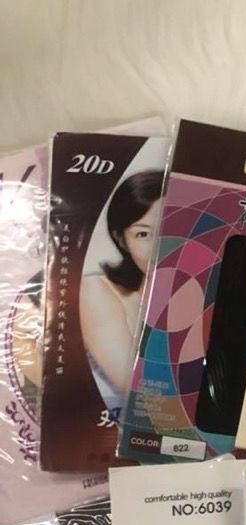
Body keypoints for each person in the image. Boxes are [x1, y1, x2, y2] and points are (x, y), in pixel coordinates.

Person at [78, 170, 163, 415]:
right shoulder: (97, 291)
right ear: (122, 240)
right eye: (143, 234)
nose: (160, 245)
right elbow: (145, 396)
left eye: (171, 227)